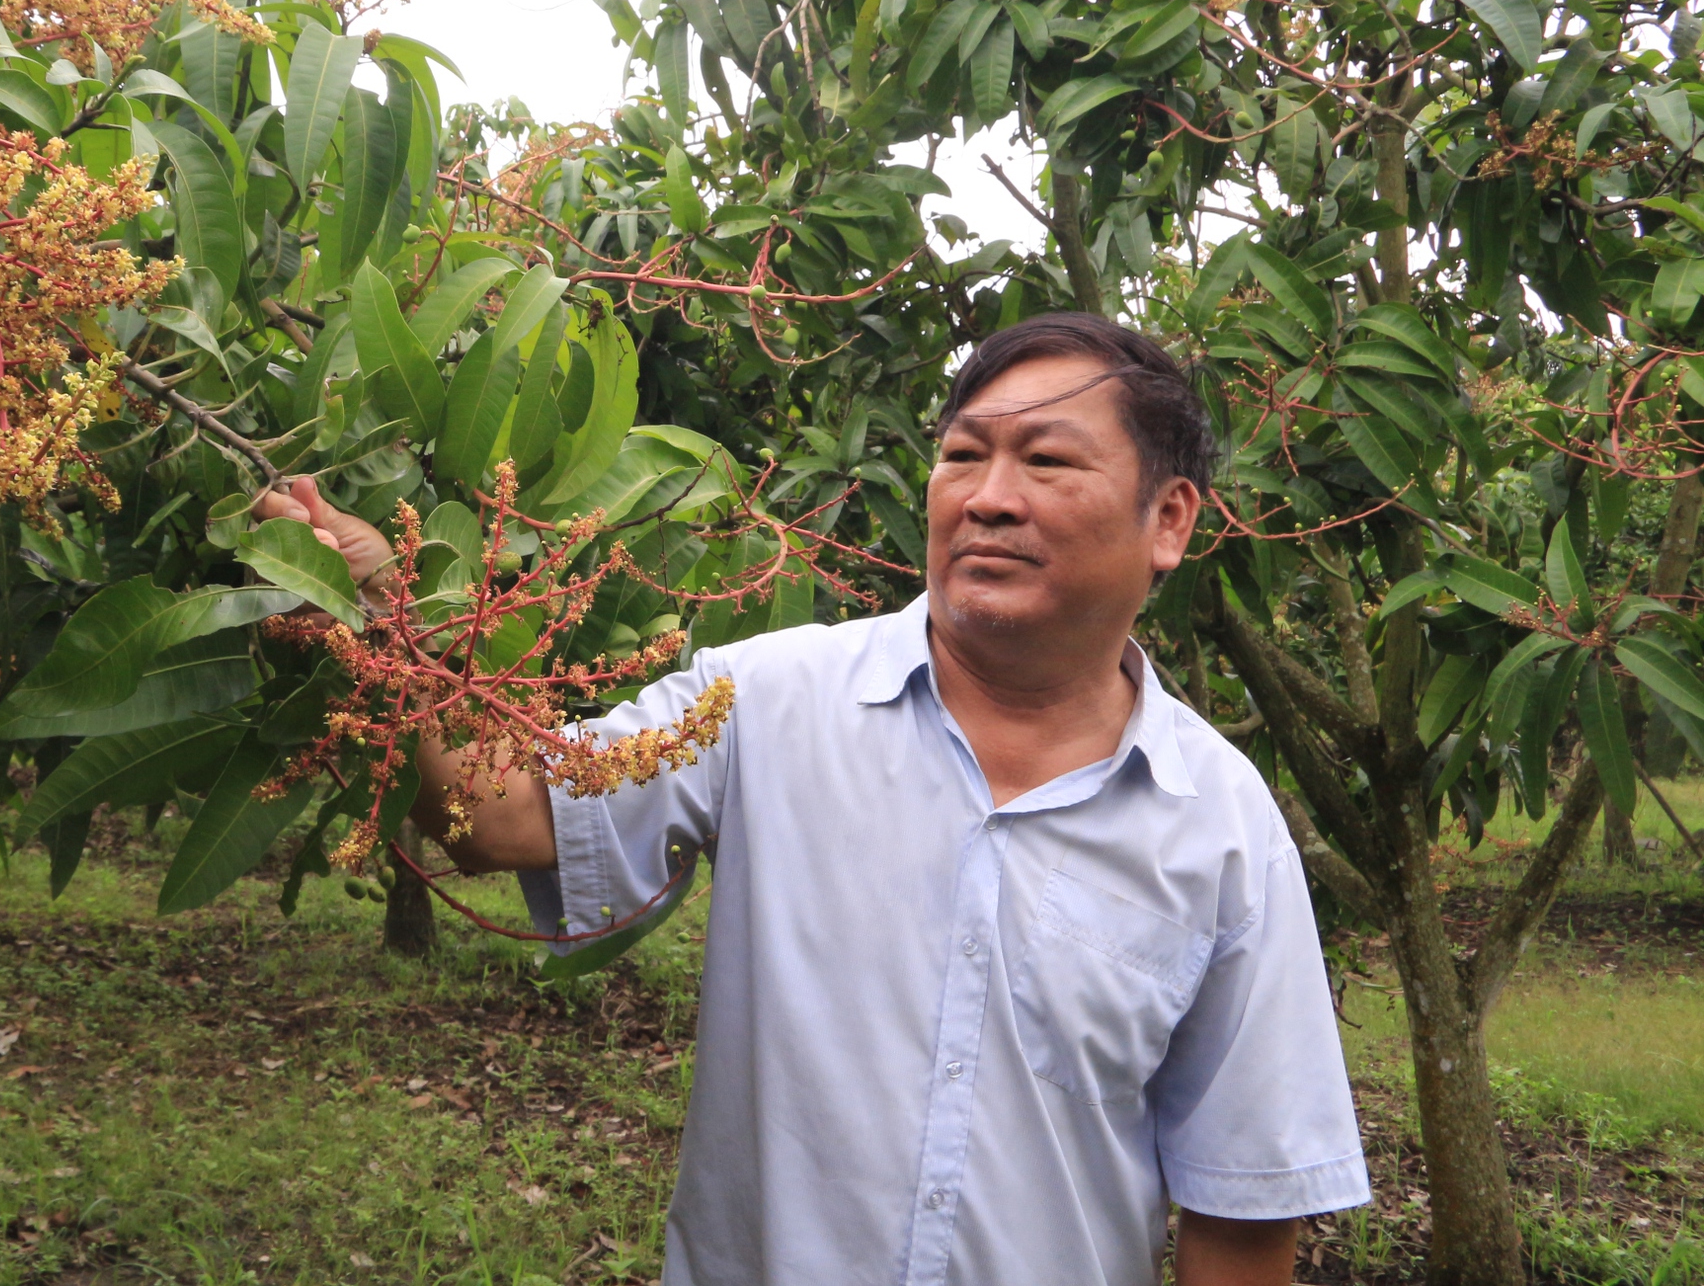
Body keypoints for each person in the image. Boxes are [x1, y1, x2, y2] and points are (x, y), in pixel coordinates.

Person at [252, 312, 1368, 1286]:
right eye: (961, 455)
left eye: (1046, 462)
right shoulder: (763, 701)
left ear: (1168, 520)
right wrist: (373, 616)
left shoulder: (1220, 827)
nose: (987, 498)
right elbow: (499, 820)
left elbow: (1244, 1204)